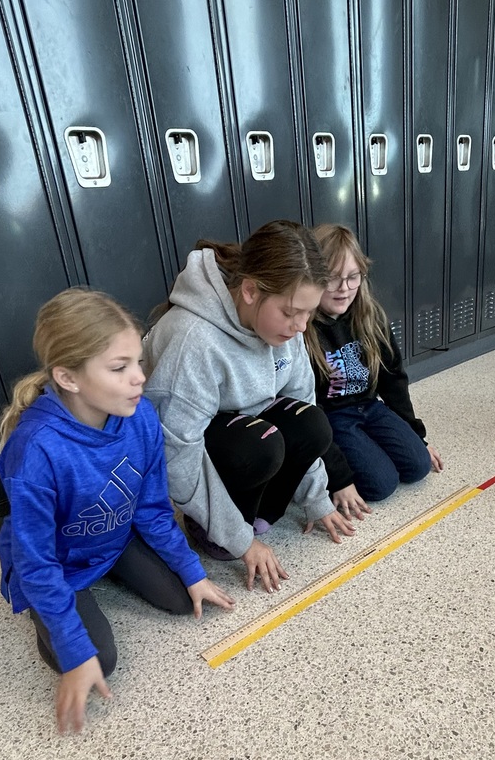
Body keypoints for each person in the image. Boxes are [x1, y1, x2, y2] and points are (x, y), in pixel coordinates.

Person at [0, 288, 234, 734]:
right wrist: (72, 650)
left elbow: (153, 509)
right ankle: (48, 615)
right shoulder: (35, 451)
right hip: (57, 566)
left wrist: (193, 572)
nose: (139, 378)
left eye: (138, 362)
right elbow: (36, 561)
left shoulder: (140, 417)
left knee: (186, 600)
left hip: (113, 538)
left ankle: (111, 572)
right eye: (120, 368)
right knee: (97, 659)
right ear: (68, 378)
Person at [143, 219, 355, 594]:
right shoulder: (195, 339)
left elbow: (302, 404)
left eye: (308, 313)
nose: (301, 327)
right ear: (251, 291)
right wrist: (240, 542)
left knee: (313, 424)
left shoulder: (287, 329)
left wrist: (317, 499)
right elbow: (175, 455)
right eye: (291, 313)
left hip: (245, 435)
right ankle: (214, 530)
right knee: (261, 444)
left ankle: (252, 518)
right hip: (208, 451)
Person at [303, 224, 443, 515]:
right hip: (332, 418)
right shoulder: (302, 329)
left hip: (369, 407)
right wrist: (339, 478)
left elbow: (394, 380)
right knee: (381, 484)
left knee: (418, 465)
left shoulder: (370, 316)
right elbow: (307, 412)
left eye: (353, 277)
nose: (344, 288)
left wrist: (418, 437)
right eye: (332, 279)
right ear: (313, 278)